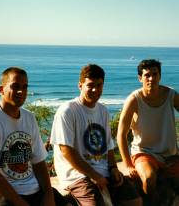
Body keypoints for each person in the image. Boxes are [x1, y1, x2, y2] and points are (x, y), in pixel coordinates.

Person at [0, 67, 67, 206]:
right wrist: (21, 203)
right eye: (15, 86)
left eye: (24, 87)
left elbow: (39, 163)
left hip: (31, 189)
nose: (21, 91)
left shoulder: (29, 118)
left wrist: (48, 194)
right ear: (1, 89)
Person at [50, 64, 142, 206]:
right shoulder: (67, 111)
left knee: (134, 201)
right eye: (90, 85)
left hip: (103, 170)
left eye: (99, 85)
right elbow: (66, 150)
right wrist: (94, 175)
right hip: (77, 174)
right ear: (80, 85)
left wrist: (113, 168)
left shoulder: (103, 111)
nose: (95, 90)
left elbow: (108, 145)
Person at [117, 59, 179, 204]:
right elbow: (121, 133)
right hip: (143, 152)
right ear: (140, 78)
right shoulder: (134, 99)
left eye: (155, 74)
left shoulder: (171, 95)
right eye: (147, 75)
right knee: (149, 177)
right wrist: (127, 164)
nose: (151, 78)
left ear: (160, 76)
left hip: (169, 155)